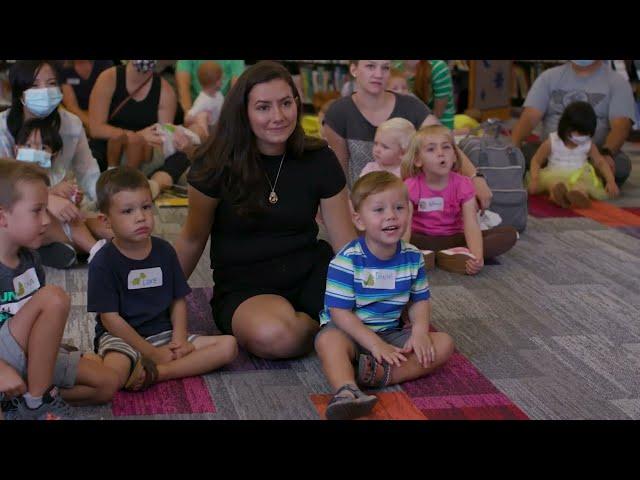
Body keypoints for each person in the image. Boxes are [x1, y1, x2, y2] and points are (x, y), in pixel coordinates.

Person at [175, 61, 356, 360]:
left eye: (286, 103)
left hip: (312, 273)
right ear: (243, 111)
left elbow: (346, 246)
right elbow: (192, 240)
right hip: (245, 288)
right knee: (277, 337)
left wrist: (378, 285)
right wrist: (154, 301)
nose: (278, 116)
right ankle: (330, 331)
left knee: (387, 307)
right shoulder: (214, 166)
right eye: (263, 107)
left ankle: (337, 328)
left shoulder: (319, 157)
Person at [315, 171, 454, 420]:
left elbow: (419, 299)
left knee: (443, 344)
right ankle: (347, 390)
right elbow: (340, 313)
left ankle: (382, 375)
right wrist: (373, 343)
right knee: (327, 342)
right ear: (359, 220)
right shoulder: (347, 261)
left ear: (409, 212)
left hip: (391, 332)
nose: (391, 215)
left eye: (399, 207)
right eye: (378, 210)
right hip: (350, 333)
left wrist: (420, 331)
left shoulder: (412, 257)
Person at [87, 167, 238, 392]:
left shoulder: (164, 251)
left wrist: (179, 339)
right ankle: (101, 362)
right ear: (106, 221)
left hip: (164, 334)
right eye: (128, 211)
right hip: (121, 339)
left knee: (228, 346)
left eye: (146, 207)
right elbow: (110, 320)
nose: (140, 217)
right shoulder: (103, 262)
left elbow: (177, 299)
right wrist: (151, 353)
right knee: (113, 377)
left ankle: (159, 373)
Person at [0, 159, 119, 420]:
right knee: (53, 297)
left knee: (108, 383)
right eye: (37, 210)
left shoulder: (31, 260)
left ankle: (24, 400)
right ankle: (37, 400)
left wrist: (52, 346)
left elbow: (34, 320)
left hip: (27, 357)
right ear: (2, 216)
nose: (46, 220)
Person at [323, 60, 493, 212]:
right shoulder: (338, 113)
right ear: (354, 69)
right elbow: (339, 173)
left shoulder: (410, 105)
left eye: (385, 68)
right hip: (364, 207)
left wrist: (475, 177)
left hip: (411, 204)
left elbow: (445, 143)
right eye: (370, 66)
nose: (378, 74)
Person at [0, 60, 107, 268]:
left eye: (51, 83)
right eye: (35, 85)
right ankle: (77, 245)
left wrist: (108, 205)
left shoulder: (71, 124)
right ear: (20, 93)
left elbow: (88, 172)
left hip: (60, 208)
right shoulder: (2, 128)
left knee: (109, 223)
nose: (45, 91)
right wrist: (46, 199)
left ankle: (39, 247)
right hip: (12, 207)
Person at [402, 125, 518, 275]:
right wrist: (400, 256)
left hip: (454, 238)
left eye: (446, 148)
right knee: (375, 235)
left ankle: (436, 257)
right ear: (418, 160)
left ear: (455, 156)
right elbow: (404, 225)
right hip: (419, 238)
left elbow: (471, 222)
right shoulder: (411, 185)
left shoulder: (463, 184)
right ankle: (425, 255)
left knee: (509, 234)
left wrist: (477, 256)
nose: (441, 154)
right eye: (431, 149)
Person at [511, 60, 636, 186]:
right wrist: (514, 146)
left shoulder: (617, 83)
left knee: (620, 166)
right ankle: (566, 180)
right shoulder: (548, 77)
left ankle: (565, 179)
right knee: (523, 154)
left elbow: (621, 126)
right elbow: (529, 117)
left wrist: (607, 153)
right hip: (551, 151)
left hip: (594, 153)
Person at [89, 60, 194, 199]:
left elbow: (164, 138)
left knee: (181, 155)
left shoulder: (165, 91)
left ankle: (155, 184)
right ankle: (115, 181)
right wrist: (136, 135)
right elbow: (95, 128)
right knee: (95, 151)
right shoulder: (109, 78)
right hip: (110, 148)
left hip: (145, 152)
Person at [13, 118, 106, 260]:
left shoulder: (57, 175)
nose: (35, 152)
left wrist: (74, 199)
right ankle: (95, 250)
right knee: (75, 222)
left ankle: (53, 251)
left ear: (53, 155)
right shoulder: (14, 175)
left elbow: (68, 206)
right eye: (28, 145)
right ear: (16, 149)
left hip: (59, 226)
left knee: (79, 219)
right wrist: (52, 193)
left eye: (43, 148)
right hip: (29, 227)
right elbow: (20, 198)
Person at [528, 101, 619, 208]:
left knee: (581, 186)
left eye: (586, 134)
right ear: (566, 127)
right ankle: (558, 196)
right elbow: (536, 160)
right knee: (555, 184)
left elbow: (600, 162)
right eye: (579, 133)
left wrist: (611, 181)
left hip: (580, 175)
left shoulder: (588, 144)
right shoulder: (552, 142)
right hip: (554, 174)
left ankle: (579, 196)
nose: (582, 137)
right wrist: (534, 178)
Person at [60, 60, 114, 132]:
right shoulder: (65, 70)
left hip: (105, 114)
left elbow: (110, 99)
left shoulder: (105, 64)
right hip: (81, 118)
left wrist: (99, 126)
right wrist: (91, 125)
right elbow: (71, 105)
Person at [175, 60, 245, 113]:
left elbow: (236, 89)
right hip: (194, 106)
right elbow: (183, 87)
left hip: (225, 105)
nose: (223, 79)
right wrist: (189, 113)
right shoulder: (202, 101)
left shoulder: (219, 96)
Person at [184, 61, 225, 141]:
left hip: (218, 128)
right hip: (210, 131)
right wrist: (201, 118)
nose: (223, 79)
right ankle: (206, 144)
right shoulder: (202, 101)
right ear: (217, 82)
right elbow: (187, 119)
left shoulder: (218, 94)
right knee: (202, 116)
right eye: (221, 78)